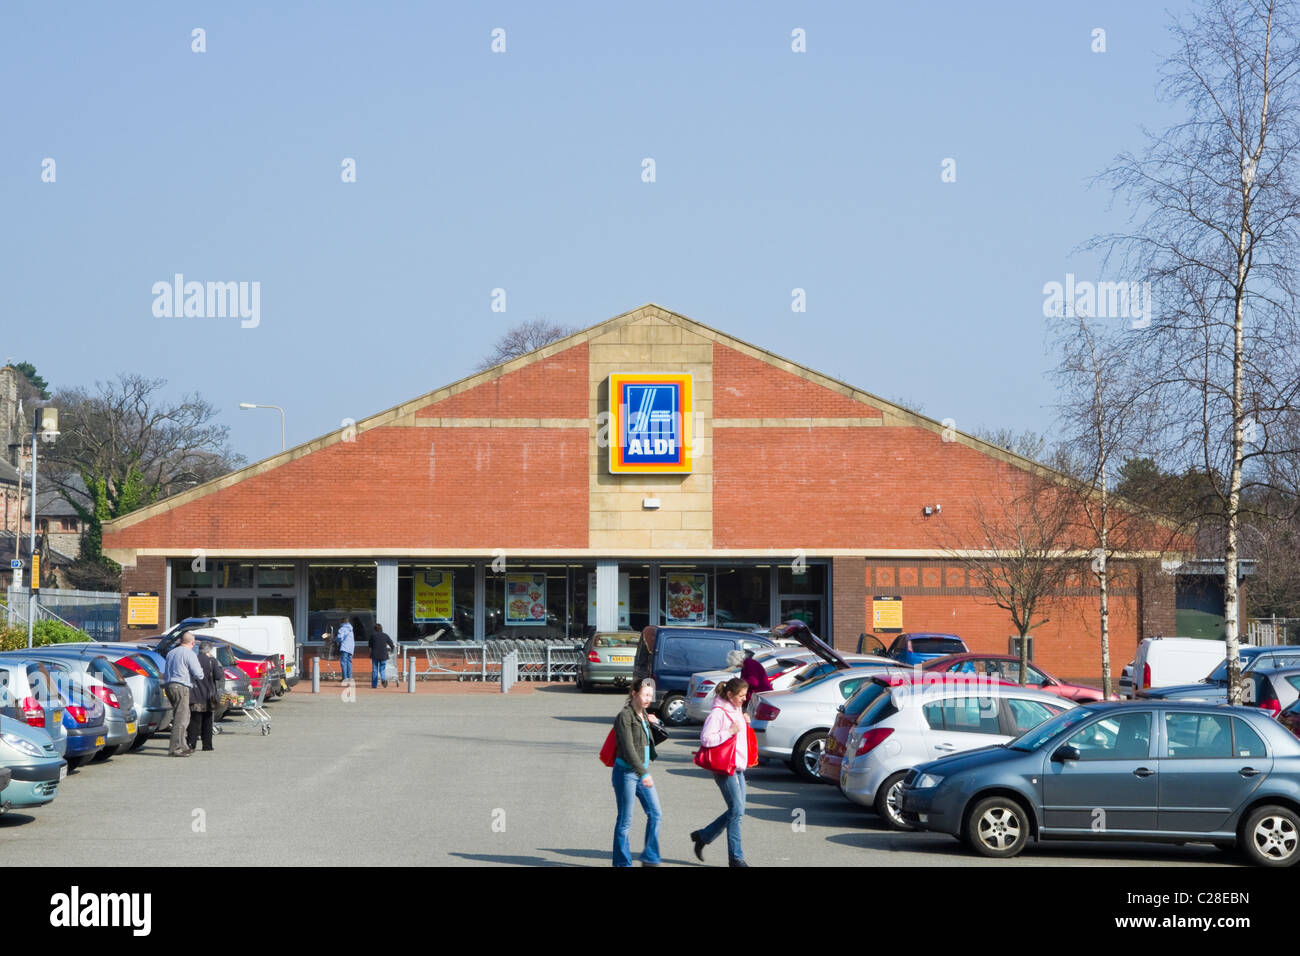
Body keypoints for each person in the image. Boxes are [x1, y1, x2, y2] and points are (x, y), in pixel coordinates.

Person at [690, 676, 752, 866]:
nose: (744, 698)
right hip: (724, 768)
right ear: (730, 694)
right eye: (741, 695)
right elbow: (706, 739)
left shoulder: (736, 709)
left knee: (737, 810)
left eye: (745, 695)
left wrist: (744, 721)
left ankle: (703, 836)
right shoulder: (718, 712)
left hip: (738, 766)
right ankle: (736, 858)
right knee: (737, 811)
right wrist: (730, 731)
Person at [611, 677, 663, 867]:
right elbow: (628, 748)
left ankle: (650, 857)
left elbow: (647, 743)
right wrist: (644, 773)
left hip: (641, 773)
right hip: (627, 774)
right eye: (645, 694)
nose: (648, 698)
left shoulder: (644, 714)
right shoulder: (625, 716)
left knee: (656, 814)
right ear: (634, 693)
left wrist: (656, 723)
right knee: (625, 822)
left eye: (650, 695)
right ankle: (622, 863)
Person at [163, 633, 205, 757]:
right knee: (181, 718)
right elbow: (198, 674)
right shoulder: (189, 653)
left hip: (170, 685)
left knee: (183, 716)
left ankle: (183, 746)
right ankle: (175, 748)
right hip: (181, 686)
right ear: (192, 643)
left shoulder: (171, 653)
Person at [186, 643, 222, 752]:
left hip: (195, 693)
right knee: (207, 721)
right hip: (208, 695)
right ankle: (207, 745)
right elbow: (218, 676)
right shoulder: (212, 661)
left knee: (194, 721)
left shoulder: (194, 659)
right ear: (209, 651)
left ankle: (191, 744)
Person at [370, 621, 395, 688]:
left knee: (375, 669)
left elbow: (370, 646)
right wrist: (392, 649)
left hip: (375, 655)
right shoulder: (385, 635)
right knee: (382, 669)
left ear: (375, 629)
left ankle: (374, 685)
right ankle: (383, 679)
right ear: (381, 629)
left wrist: (371, 652)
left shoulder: (372, 636)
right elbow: (391, 644)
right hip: (383, 655)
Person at [336, 618, 356, 686]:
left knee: (343, 663)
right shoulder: (350, 629)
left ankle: (345, 679)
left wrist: (335, 639)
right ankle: (350, 678)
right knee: (349, 663)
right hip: (351, 648)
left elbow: (340, 637)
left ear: (342, 622)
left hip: (344, 648)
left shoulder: (342, 629)